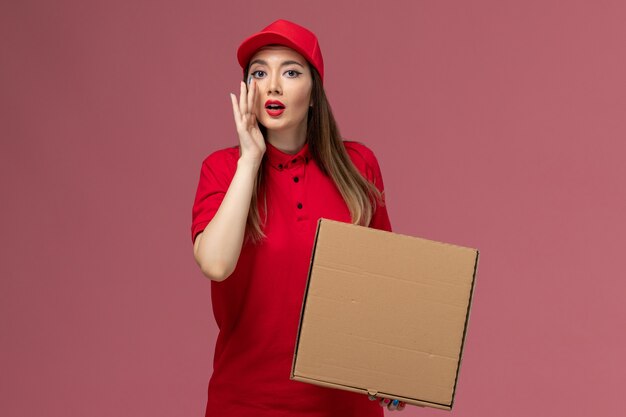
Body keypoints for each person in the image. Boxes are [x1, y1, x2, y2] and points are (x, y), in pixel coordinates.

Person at [191, 19, 405, 416]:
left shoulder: (359, 165)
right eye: (259, 72)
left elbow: (383, 285)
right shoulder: (222, 169)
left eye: (290, 71)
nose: (273, 85)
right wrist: (250, 159)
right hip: (247, 403)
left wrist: (396, 371)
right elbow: (216, 264)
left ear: (313, 92)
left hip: (347, 407)